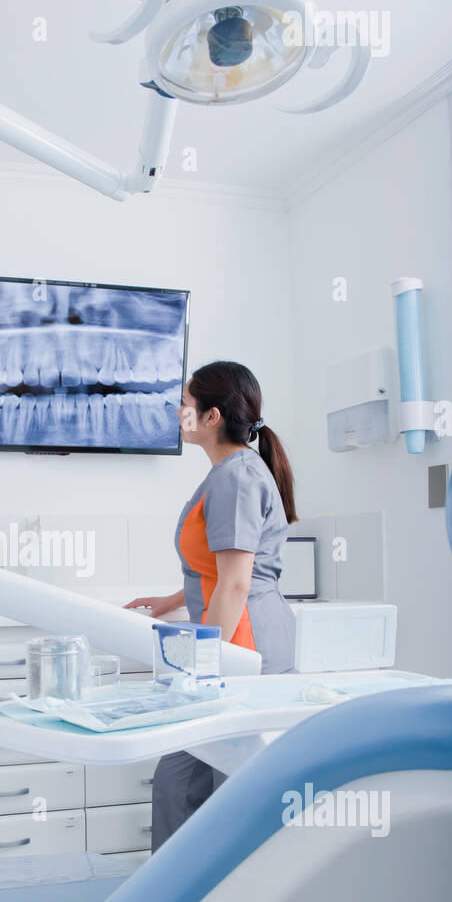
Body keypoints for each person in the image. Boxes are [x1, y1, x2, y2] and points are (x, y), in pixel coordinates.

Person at [126, 360, 297, 852]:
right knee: (182, 784)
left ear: (212, 417)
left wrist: (209, 665)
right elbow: (219, 566)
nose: (177, 410)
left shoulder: (236, 478)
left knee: (221, 791)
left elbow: (237, 584)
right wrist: (173, 599)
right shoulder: (230, 472)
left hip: (244, 646)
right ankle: (183, 899)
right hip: (234, 640)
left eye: (185, 404)